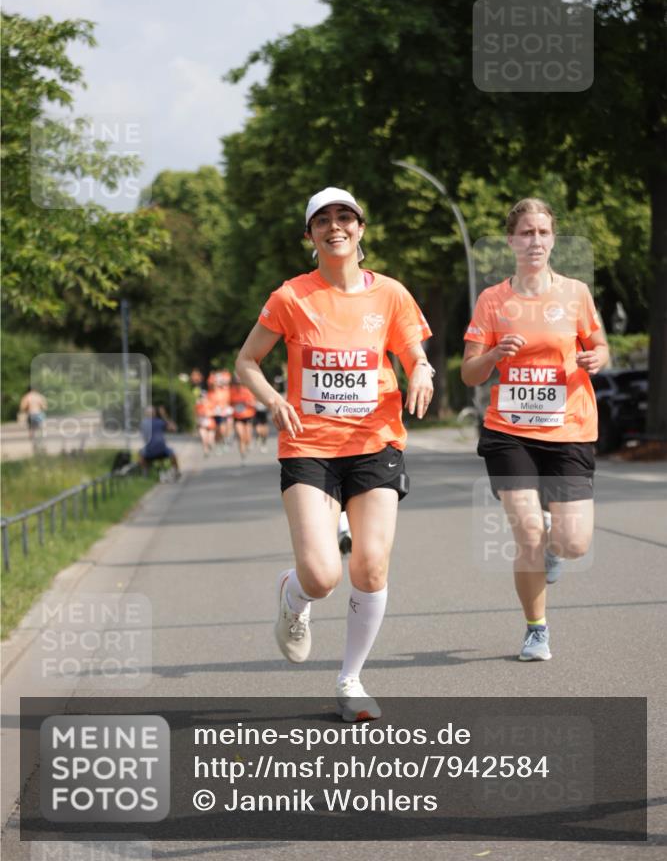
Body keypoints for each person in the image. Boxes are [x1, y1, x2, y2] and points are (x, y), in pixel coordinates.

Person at [236, 187, 433, 721]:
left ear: (361, 228)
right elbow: (247, 361)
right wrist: (273, 399)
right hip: (309, 446)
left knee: (370, 566)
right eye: (322, 220)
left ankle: (350, 680)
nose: (335, 226)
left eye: (345, 217)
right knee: (323, 575)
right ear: (310, 236)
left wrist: (420, 369)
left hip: (375, 441)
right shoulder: (291, 297)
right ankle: (294, 596)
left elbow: (413, 351)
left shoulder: (390, 293)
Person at [462, 198, 609, 662]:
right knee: (527, 533)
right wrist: (492, 356)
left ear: (553, 239)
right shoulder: (492, 300)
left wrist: (597, 356)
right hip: (510, 430)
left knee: (572, 542)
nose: (535, 241)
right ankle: (535, 629)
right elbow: (469, 373)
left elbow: (599, 342)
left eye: (543, 232)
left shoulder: (576, 293)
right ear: (511, 240)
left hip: (569, 428)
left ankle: (554, 551)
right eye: (526, 233)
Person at [139, 405, 180, 478]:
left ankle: (145, 473)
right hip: (160, 449)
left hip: (153, 450)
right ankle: (176, 471)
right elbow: (174, 428)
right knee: (173, 453)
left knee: (141, 453)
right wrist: (164, 415)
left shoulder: (145, 423)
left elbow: (173, 429)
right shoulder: (159, 422)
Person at [230, 375, 256, 463]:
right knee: (240, 436)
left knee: (247, 437)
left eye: (240, 382)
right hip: (237, 416)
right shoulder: (231, 391)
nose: (238, 384)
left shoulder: (248, 390)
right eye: (236, 382)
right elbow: (228, 403)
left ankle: (248, 444)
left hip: (248, 415)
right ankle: (242, 455)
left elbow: (253, 402)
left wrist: (248, 402)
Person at [194, 389, 216, 457]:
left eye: (203, 396)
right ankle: (205, 451)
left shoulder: (210, 403)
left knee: (209, 441)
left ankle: (210, 445)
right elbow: (195, 414)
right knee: (203, 439)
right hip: (201, 423)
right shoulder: (198, 404)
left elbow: (215, 412)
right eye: (201, 396)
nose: (202, 398)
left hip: (210, 423)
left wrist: (209, 413)